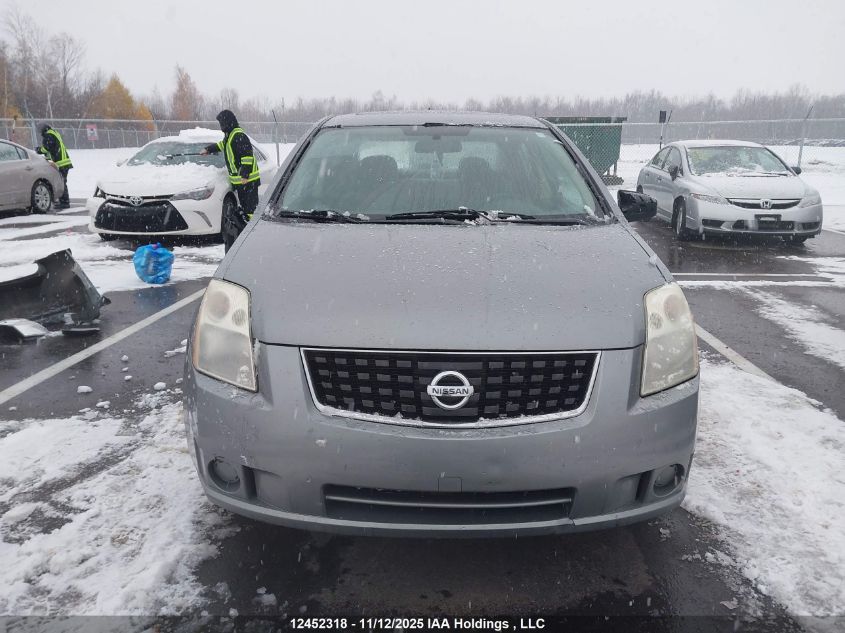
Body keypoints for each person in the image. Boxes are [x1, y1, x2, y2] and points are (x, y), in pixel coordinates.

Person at [201, 110, 261, 251]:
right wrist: (208, 149)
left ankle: (253, 237)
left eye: (221, 122)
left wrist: (245, 175)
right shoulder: (229, 136)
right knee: (246, 210)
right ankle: (247, 234)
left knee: (250, 210)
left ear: (227, 122)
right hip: (240, 183)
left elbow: (247, 156)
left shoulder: (238, 135)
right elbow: (222, 146)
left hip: (248, 181)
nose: (221, 126)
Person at [37, 124, 72, 209]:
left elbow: (47, 148)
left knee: (62, 182)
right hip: (64, 162)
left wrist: (39, 150)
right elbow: (52, 148)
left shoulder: (49, 135)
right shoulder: (53, 133)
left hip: (61, 163)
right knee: (62, 182)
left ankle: (65, 202)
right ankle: (63, 200)